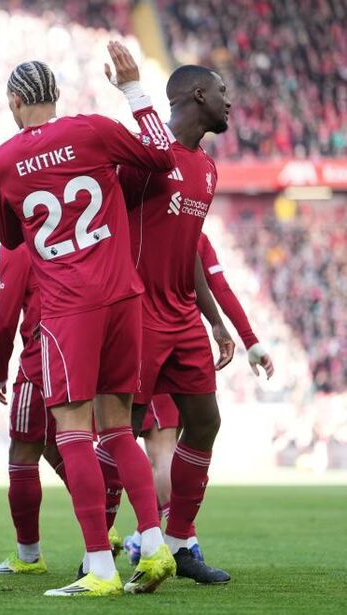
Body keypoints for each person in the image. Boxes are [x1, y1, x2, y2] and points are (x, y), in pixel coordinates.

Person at [0, 43, 177, 597]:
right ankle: (155, 543)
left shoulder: (1, 160)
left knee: (72, 432)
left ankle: (99, 565)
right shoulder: (93, 129)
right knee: (118, 429)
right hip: (124, 295)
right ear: (57, 94)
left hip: (69, 306)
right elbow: (163, 156)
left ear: (15, 100)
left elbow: (10, 237)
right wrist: (136, 88)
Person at [113, 64, 237, 584]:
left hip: (184, 314)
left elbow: (188, 251)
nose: (230, 103)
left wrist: (217, 322)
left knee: (205, 421)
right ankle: (101, 548)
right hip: (140, 312)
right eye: (224, 92)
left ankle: (181, 540)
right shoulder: (148, 152)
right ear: (198, 93)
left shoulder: (207, 168)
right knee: (121, 429)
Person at [122, 231, 274, 565]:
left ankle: (152, 537)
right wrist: (248, 339)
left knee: (159, 449)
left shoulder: (142, 220)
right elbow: (221, 287)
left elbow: (218, 287)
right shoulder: (192, 231)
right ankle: (171, 537)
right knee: (160, 448)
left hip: (145, 337)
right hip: (166, 340)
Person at [0, 244, 65, 575]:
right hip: (79, 349)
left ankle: (28, 555)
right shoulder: (61, 224)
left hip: (40, 358)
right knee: (62, 443)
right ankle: (109, 531)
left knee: (22, 453)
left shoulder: (17, 243)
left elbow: (5, 317)